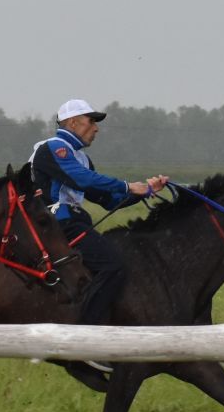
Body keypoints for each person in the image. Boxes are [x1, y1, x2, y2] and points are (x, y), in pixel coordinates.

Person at [28, 99, 168, 370]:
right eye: (91, 121)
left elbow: (106, 199)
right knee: (113, 266)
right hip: (56, 225)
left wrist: (146, 191)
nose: (96, 128)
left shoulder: (81, 157)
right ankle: (84, 342)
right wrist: (130, 186)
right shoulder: (55, 147)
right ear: (72, 123)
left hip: (74, 224)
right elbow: (81, 180)